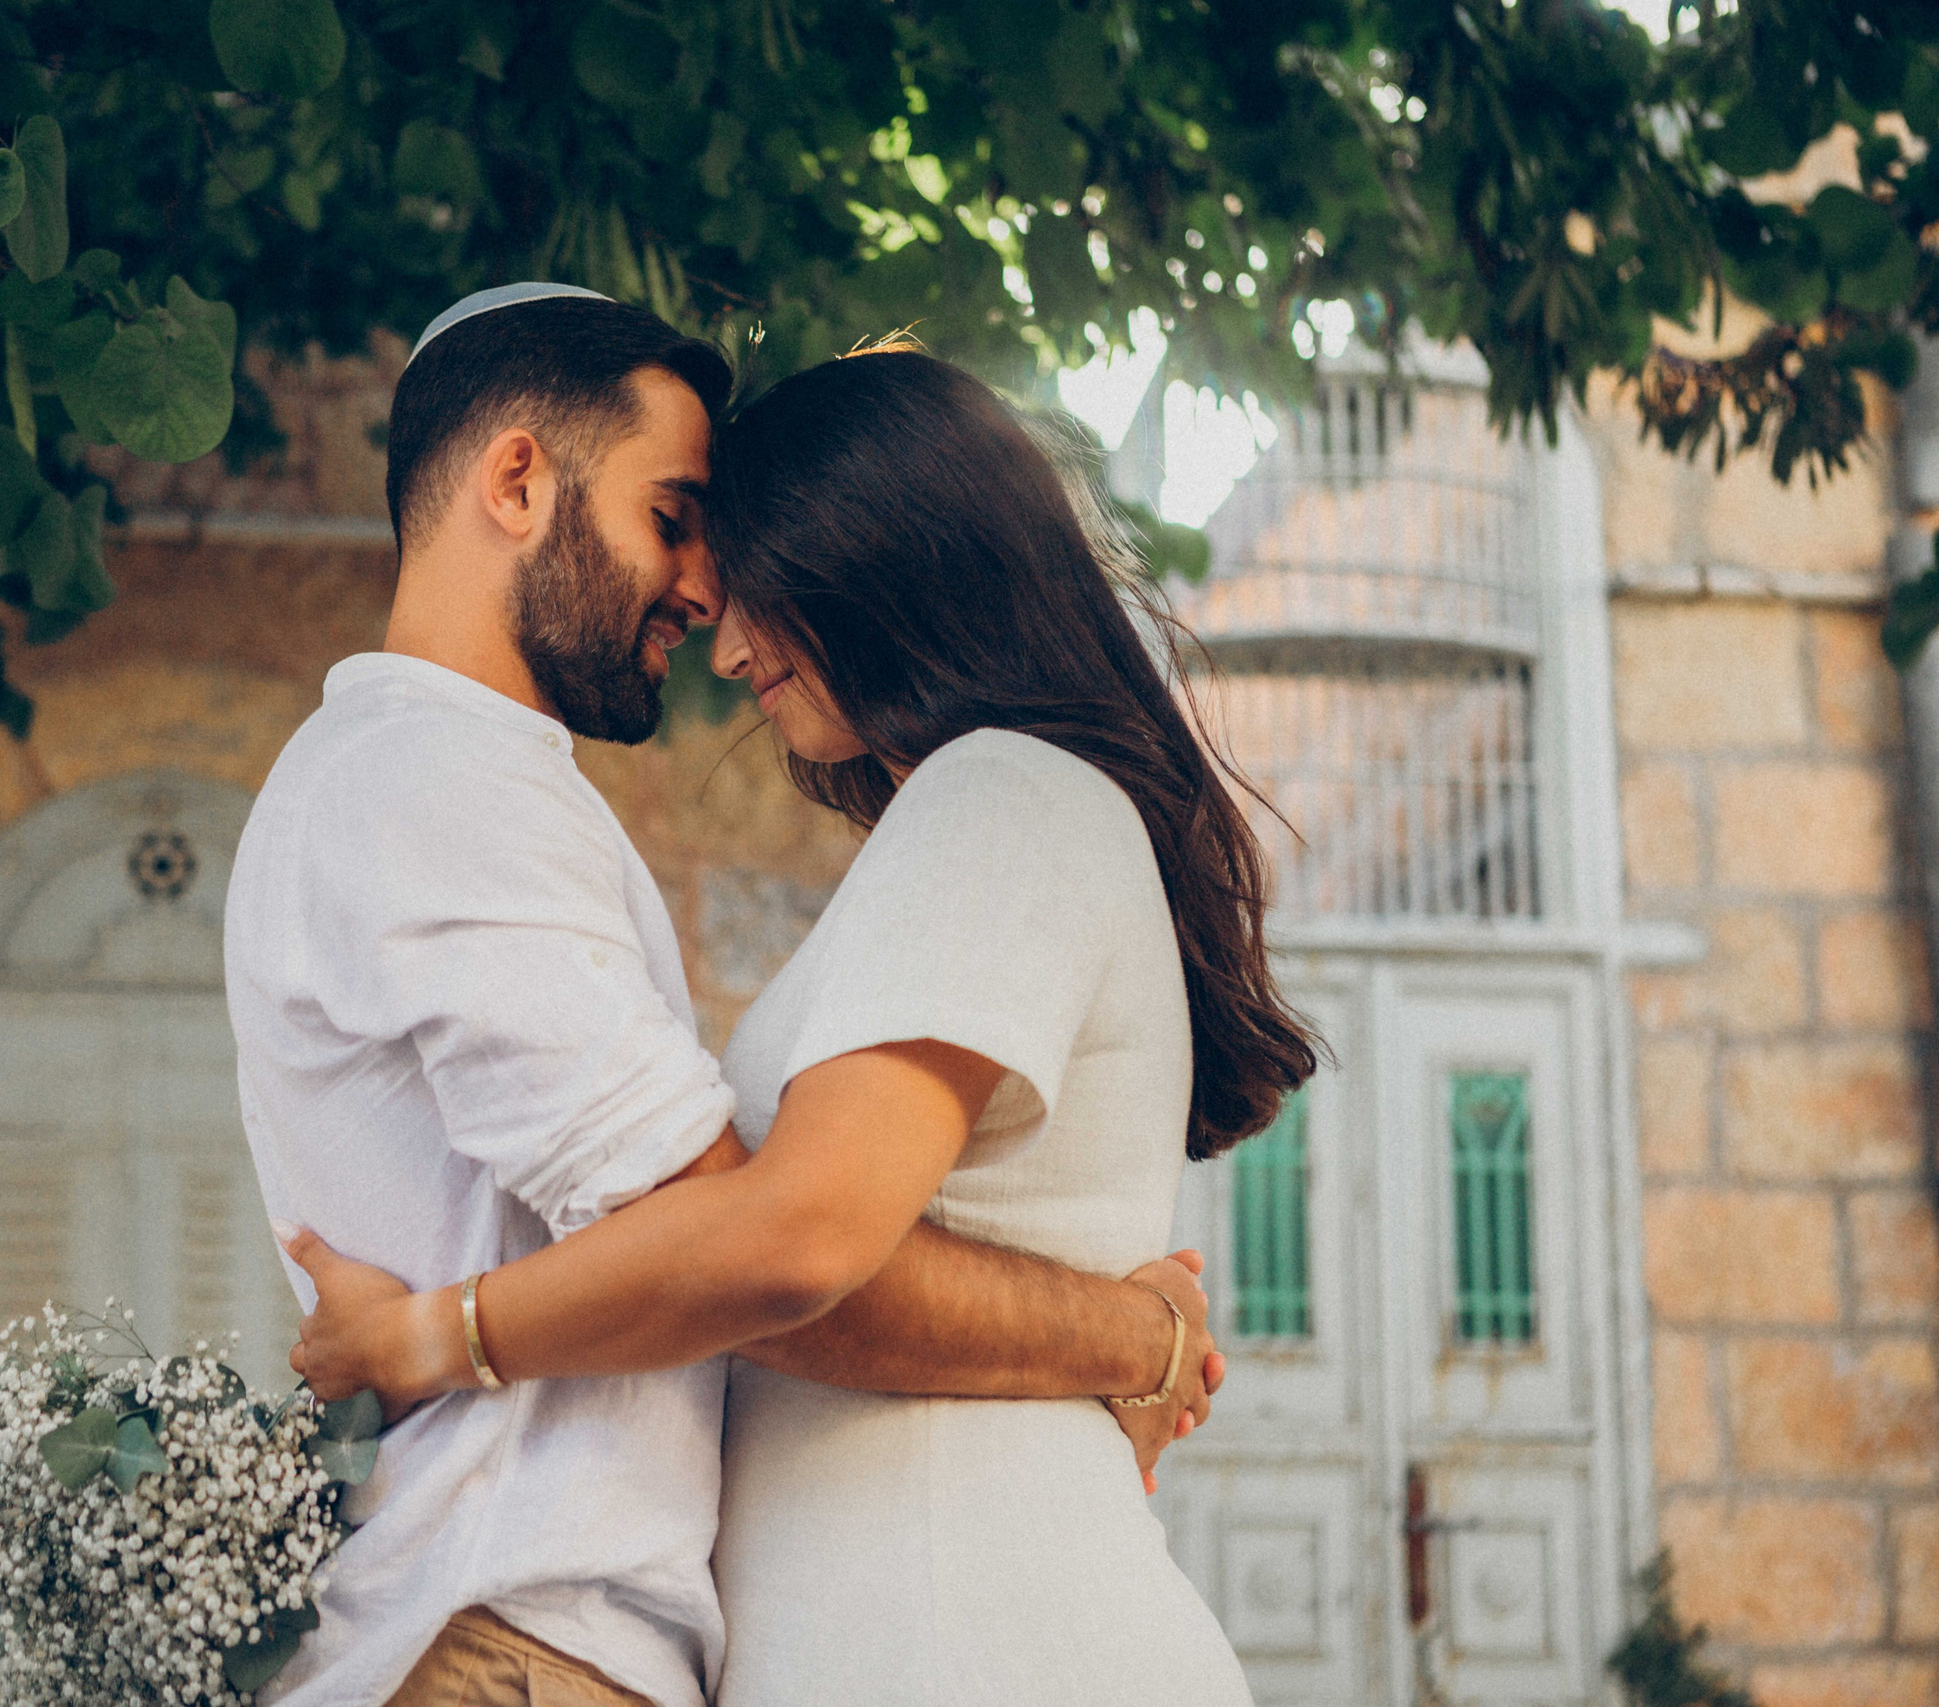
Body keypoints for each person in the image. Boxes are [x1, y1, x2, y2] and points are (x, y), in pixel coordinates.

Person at [228, 287, 1226, 1707]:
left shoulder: (991, 796)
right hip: (529, 1635)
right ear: (519, 479)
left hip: (905, 1630)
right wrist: (1133, 1337)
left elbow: (768, 1237)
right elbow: (756, 1240)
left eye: (729, 542)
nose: (708, 600)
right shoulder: (432, 784)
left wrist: (432, 1335)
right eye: (677, 517)